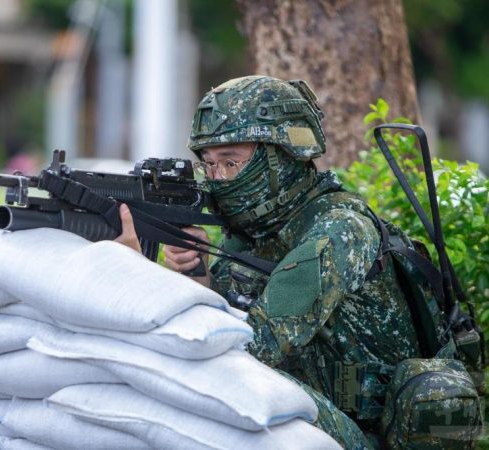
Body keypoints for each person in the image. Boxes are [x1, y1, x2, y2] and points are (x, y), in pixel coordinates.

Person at [113, 76, 467, 449]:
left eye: (231, 163)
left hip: (364, 435)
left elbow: (250, 351)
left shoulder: (338, 232)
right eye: (210, 165)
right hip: (306, 420)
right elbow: (224, 322)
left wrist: (130, 271)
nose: (218, 179)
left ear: (282, 157)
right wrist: (199, 275)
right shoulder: (258, 230)